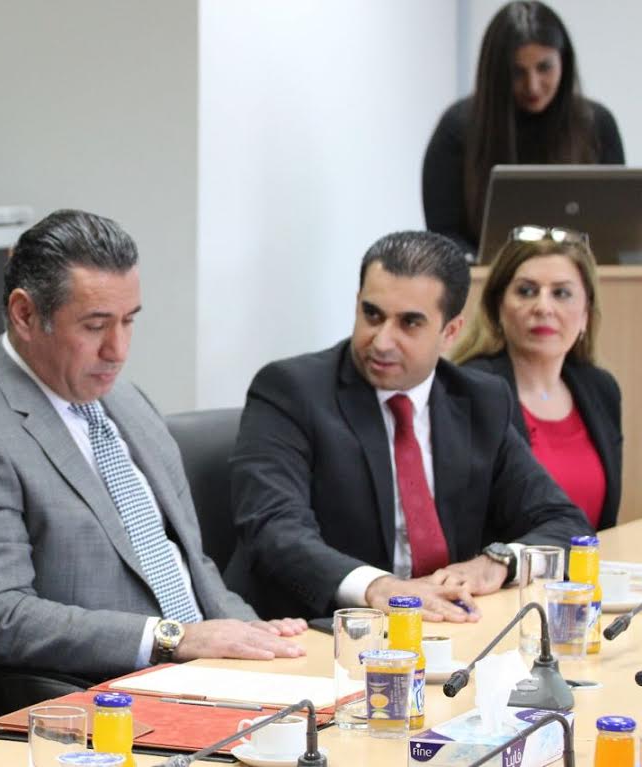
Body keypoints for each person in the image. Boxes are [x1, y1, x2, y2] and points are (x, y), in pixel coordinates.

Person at [0, 209, 306, 683]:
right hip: (108, 695)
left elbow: (187, 563)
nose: (118, 350)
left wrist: (253, 634)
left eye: (128, 321)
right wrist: (173, 639)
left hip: (211, 673)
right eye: (95, 326)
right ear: (25, 314)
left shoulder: (124, 399)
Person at [225, 230, 592, 622]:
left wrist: (499, 562)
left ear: (450, 332)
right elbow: (274, 528)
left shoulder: (480, 400)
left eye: (410, 323)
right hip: (316, 629)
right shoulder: (291, 391)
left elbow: (564, 523)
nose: (382, 341)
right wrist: (377, 587)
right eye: (372, 315)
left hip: (441, 627)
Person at [422, 1, 624, 253]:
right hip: (485, 274)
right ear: (496, 73)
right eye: (517, 72)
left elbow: (615, 226)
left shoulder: (596, 124)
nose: (533, 85)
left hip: (580, 273)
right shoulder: (457, 128)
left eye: (544, 68)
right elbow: (444, 235)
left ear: (564, 62)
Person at [453, 225, 620, 530]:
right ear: (497, 307)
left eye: (561, 293)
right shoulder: (472, 390)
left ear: (585, 314)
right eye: (526, 291)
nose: (543, 307)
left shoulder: (600, 389)